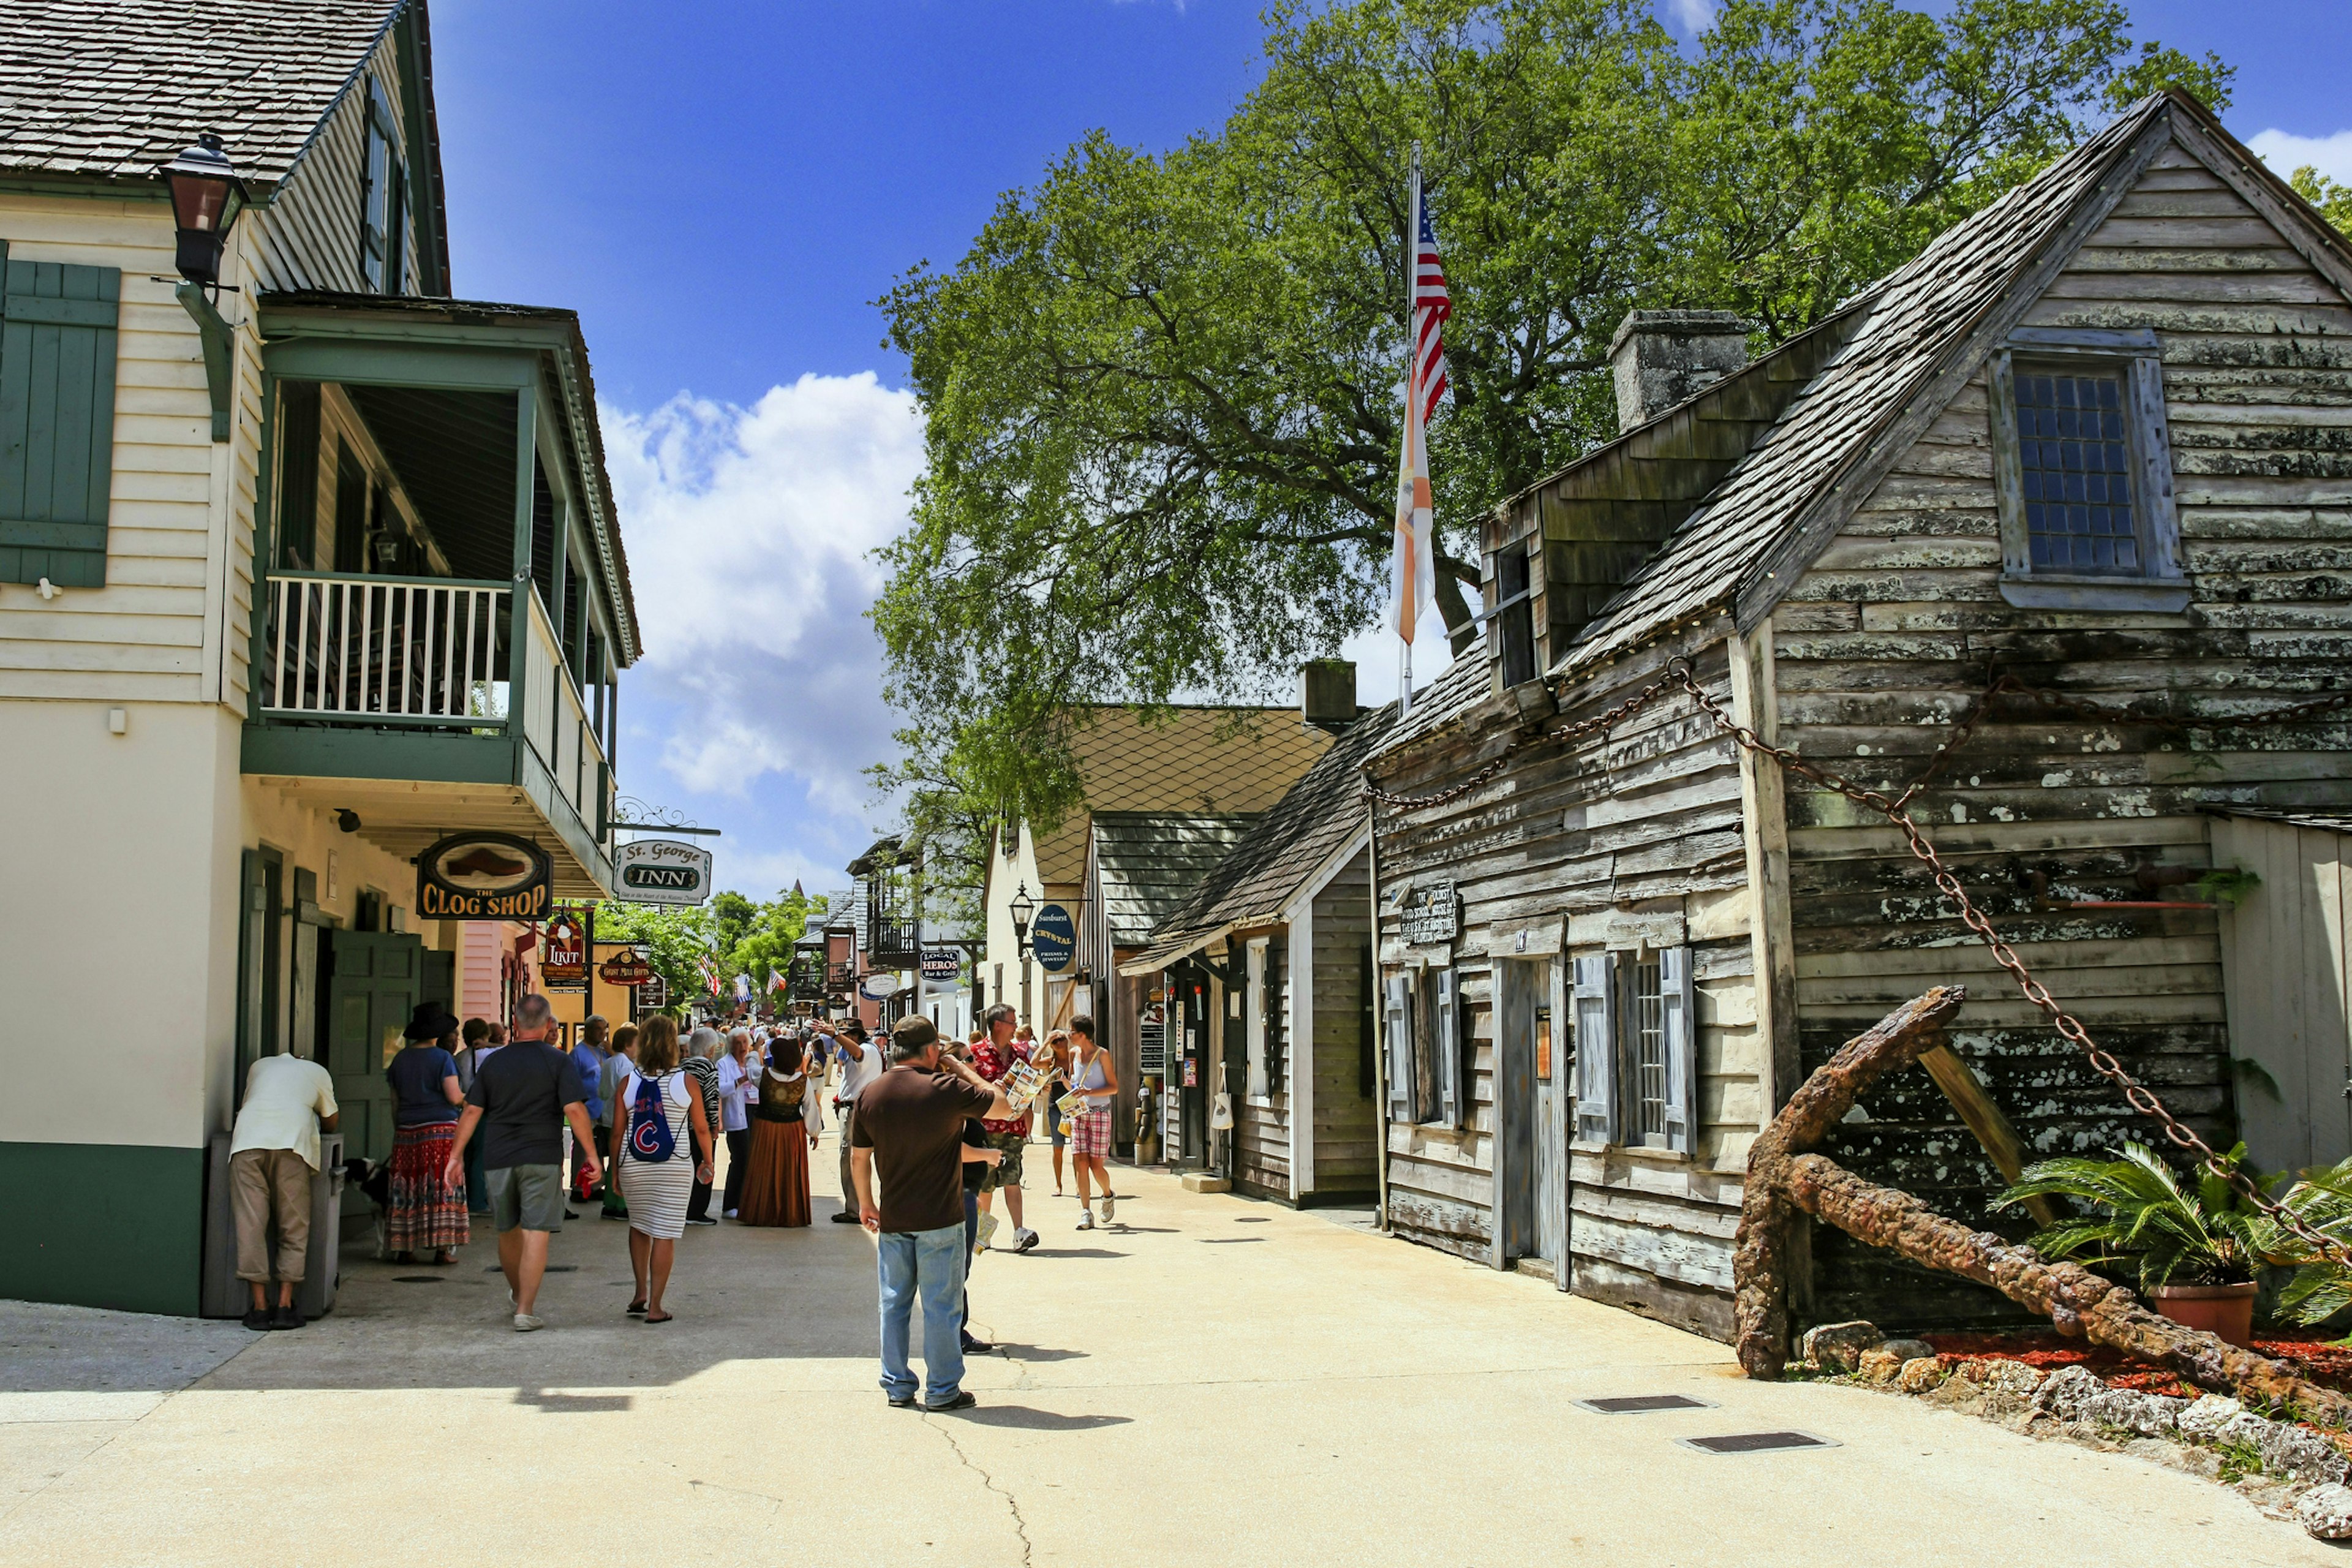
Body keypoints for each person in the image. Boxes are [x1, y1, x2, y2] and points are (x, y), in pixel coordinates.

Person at [850, 1016, 1017, 1412]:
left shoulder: (871, 1093)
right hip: (941, 1216)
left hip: (894, 1217)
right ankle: (942, 1390)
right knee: (942, 1307)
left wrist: (866, 1202)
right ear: (931, 1051)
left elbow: (859, 1157)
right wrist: (959, 1066)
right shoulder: (946, 1088)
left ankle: (896, 1385)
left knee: (893, 1304)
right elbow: (1005, 1107)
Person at [443, 995, 598, 1332]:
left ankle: (517, 1291)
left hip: (499, 1157)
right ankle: (525, 1309)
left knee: (508, 1229)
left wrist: (456, 1157)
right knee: (536, 1231)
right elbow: (574, 1109)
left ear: (515, 1024)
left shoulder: (494, 1063)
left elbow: (471, 1110)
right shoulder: (558, 1062)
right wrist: (590, 1154)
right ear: (547, 1026)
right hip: (542, 1156)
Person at [609, 1014, 713, 1322]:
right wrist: (707, 1160)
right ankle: (656, 1306)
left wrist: (614, 1170)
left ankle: (640, 1291)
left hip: (634, 1164)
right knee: (664, 1233)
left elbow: (617, 1132)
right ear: (672, 1044)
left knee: (639, 1226)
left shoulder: (628, 1082)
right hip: (675, 1165)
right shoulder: (686, 1081)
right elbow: (702, 1128)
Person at [227, 1049, 338, 1330]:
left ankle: (260, 1308)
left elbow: (248, 1103)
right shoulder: (317, 1072)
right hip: (292, 1145)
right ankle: (285, 1306)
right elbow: (331, 1120)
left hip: (248, 1142)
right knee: (293, 1225)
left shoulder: (259, 1067)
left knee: (250, 1225)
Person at [383, 1003, 469, 1265]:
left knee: (407, 1189)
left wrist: (402, 1129)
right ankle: (442, 1249)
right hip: (441, 1131)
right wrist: (473, 1100)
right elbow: (454, 1097)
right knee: (441, 1187)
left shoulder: (400, 1059)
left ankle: (404, 1248)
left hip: (408, 1132)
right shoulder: (442, 1059)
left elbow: (395, 1104)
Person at [968, 1004, 1040, 1254]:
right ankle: (982, 1234)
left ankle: (1019, 1232)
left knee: (1012, 1178)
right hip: (985, 1127)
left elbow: (1028, 1084)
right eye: (1012, 1021)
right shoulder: (975, 1053)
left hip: (1013, 1125)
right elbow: (967, 1086)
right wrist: (990, 1086)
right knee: (986, 1183)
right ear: (998, 1024)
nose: (1016, 1026)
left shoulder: (1020, 1054)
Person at [739, 1034, 821, 1226]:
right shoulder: (803, 1081)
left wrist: (756, 1050)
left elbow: (750, 1067)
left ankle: (761, 1212)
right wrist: (814, 1133)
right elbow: (810, 1108)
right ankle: (789, 1213)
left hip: (765, 1128)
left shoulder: (763, 1074)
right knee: (789, 1172)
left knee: (763, 1169)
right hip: (792, 1130)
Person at [1068, 1016, 1120, 1231]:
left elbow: (1114, 1087)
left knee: (1096, 1165)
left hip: (1100, 1112)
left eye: (1071, 1032)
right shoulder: (1074, 1054)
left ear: (1083, 1035)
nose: (1068, 1035)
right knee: (1080, 1162)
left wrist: (1090, 1092)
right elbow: (1073, 1081)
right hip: (1079, 1113)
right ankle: (1085, 1211)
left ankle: (1107, 1195)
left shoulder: (1102, 1055)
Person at [828, 1020, 882, 1223]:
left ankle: (854, 1208)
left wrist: (835, 1035)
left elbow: (858, 1053)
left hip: (854, 1110)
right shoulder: (871, 1049)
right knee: (861, 1157)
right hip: (858, 1107)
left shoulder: (865, 1050)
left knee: (850, 1157)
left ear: (854, 1036)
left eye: (846, 1036)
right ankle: (859, 1206)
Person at [681, 1028, 726, 1225]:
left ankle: (683, 1208)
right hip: (701, 1126)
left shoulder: (680, 1065)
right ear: (710, 1049)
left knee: (686, 1168)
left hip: (681, 1126)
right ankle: (696, 1212)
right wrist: (714, 1126)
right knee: (704, 1166)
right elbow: (711, 1099)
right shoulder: (709, 1067)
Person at [597, 1023, 638, 1220]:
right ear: (629, 1045)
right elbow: (628, 1093)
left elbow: (603, 1092)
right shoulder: (627, 1066)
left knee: (613, 1161)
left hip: (607, 1116)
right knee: (624, 1163)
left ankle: (610, 1203)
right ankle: (621, 1204)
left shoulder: (609, 1063)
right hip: (622, 1119)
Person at [569, 1016, 611, 1203]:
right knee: (582, 1149)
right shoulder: (578, 1053)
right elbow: (572, 1081)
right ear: (587, 1030)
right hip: (586, 1108)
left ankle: (594, 1186)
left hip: (603, 1107)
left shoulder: (605, 1052)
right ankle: (578, 1188)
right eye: (598, 1029)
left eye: (604, 1029)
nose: (602, 1033)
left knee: (598, 1149)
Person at [717, 1029, 756, 1218]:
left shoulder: (752, 1062)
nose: (742, 1047)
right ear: (730, 1045)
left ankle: (745, 1202)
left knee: (750, 1162)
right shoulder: (724, 1064)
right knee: (740, 1160)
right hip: (736, 1118)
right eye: (738, 1043)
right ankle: (730, 1205)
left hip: (754, 1114)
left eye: (744, 1043)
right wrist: (740, 1080)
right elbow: (720, 1090)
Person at [456, 1017, 492, 1215]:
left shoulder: (460, 1057)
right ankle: (478, 1200)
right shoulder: (487, 1055)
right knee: (481, 1157)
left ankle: (467, 1197)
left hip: (462, 1110)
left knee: (468, 1156)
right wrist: (491, 1044)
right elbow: (512, 1051)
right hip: (481, 1110)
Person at [1041, 1030, 1072, 1196]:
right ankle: (1058, 1184)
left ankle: (1078, 1185)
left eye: (1061, 1039)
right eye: (1055, 1041)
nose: (1059, 1043)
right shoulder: (1050, 1062)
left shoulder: (1074, 1057)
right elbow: (1033, 1063)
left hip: (1073, 1105)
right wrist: (1046, 1042)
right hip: (1055, 1106)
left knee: (1077, 1149)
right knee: (1058, 1147)